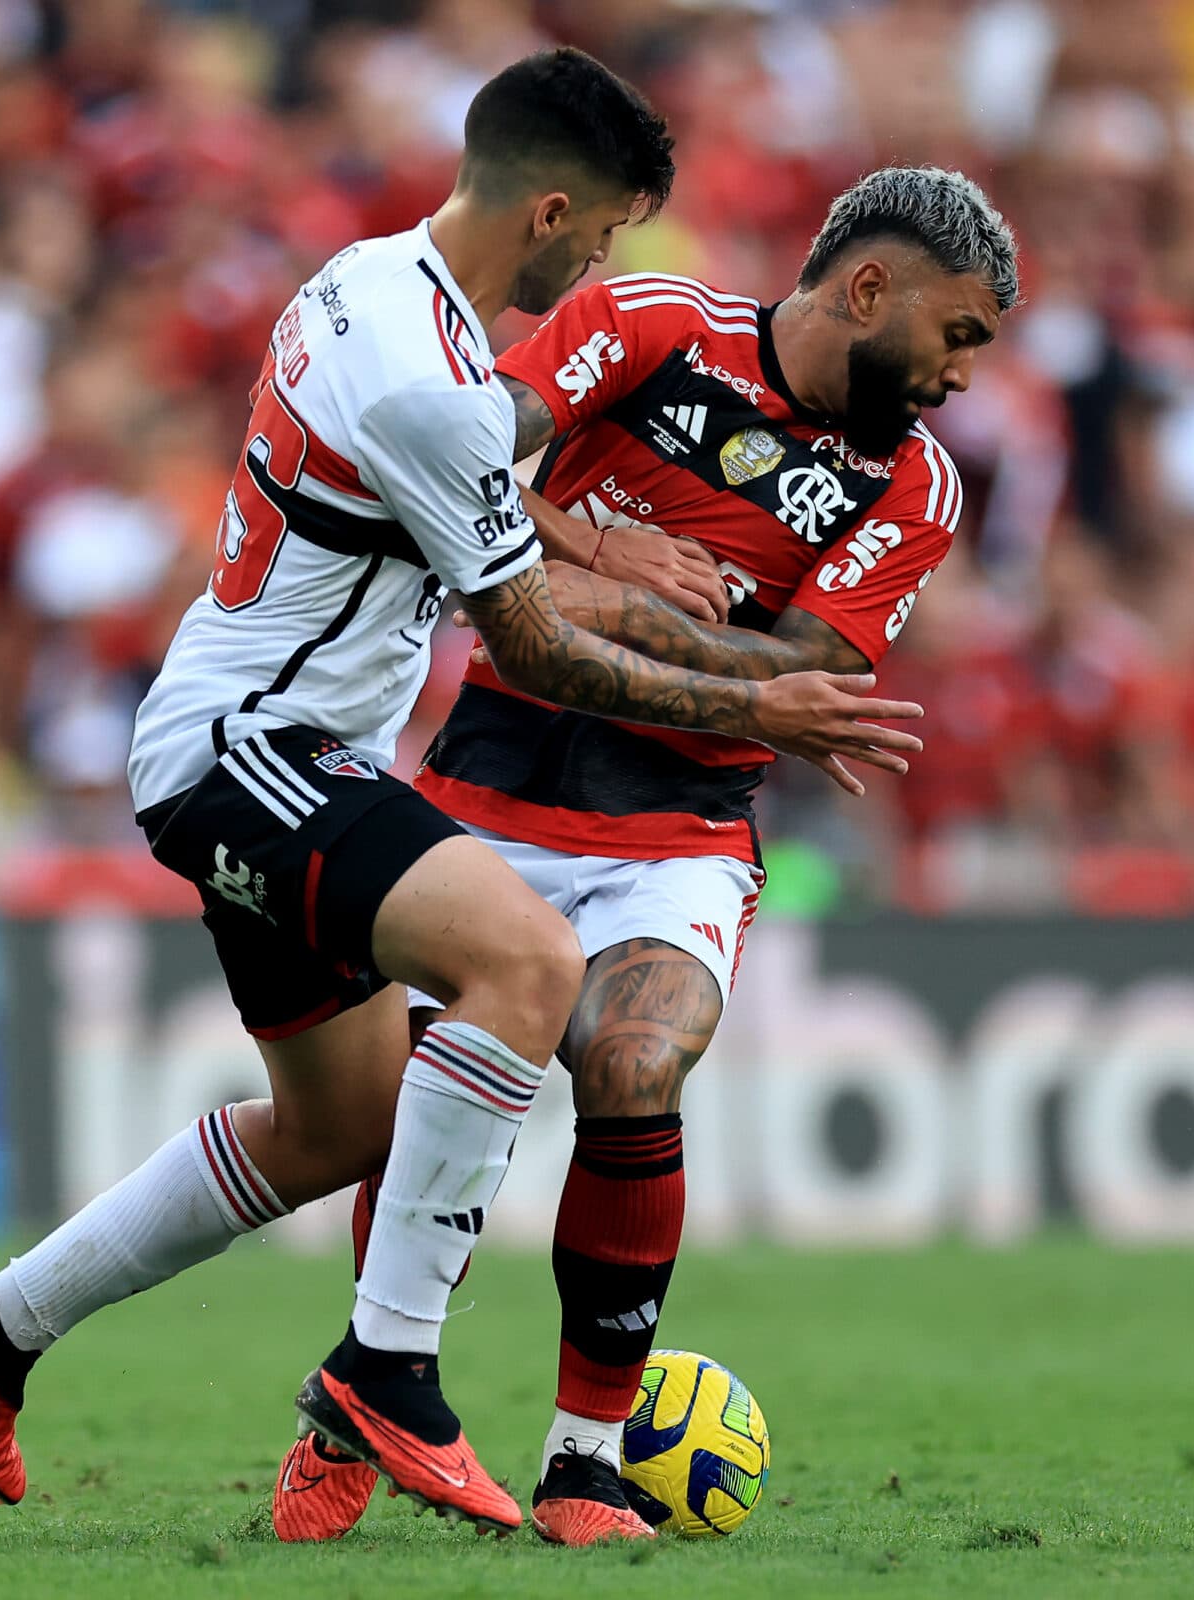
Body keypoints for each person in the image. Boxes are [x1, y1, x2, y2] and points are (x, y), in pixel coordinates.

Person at [0, 49, 923, 1535]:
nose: (603, 263)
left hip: (273, 746)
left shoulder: (380, 289)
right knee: (525, 960)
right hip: (250, 752)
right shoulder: (429, 372)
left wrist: (605, 541)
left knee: (337, 1128)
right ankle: (389, 1375)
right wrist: (762, 703)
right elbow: (541, 654)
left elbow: (483, 484)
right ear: (553, 211)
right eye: (610, 233)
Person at [272, 165, 1021, 1545]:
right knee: (426, 1094)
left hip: (678, 833)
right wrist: (595, 547)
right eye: (957, 335)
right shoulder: (653, 323)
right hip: (489, 787)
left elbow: (803, 678)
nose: (963, 376)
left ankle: (585, 1463)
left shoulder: (917, 485)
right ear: (869, 289)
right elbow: (462, 452)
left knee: (633, 1061)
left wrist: (561, 591)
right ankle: (362, 1409)